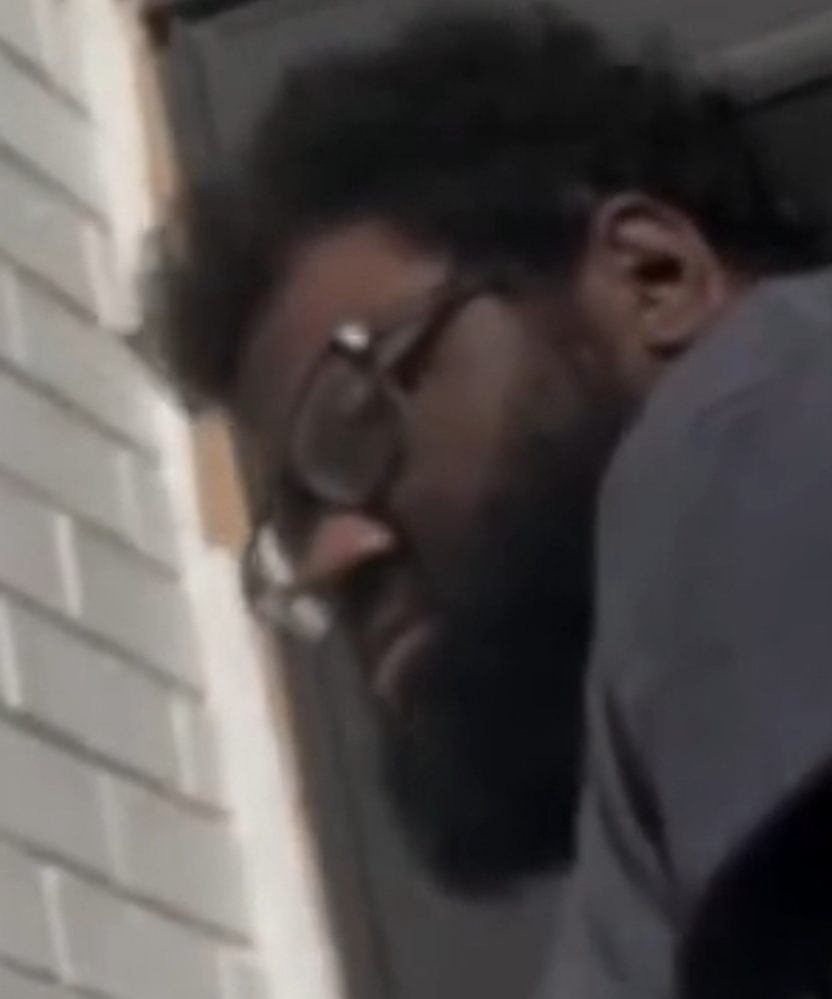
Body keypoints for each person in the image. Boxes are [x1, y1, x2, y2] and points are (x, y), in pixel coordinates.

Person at [158, 6, 832, 996]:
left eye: (358, 419)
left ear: (653, 277)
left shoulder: (749, 423)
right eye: (294, 526)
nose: (334, 555)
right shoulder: (656, 783)